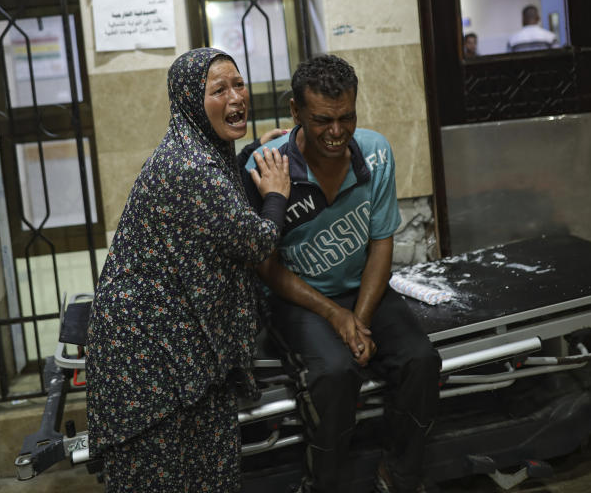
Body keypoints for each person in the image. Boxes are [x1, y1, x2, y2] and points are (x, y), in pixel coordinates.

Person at [85, 48, 291, 493]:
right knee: (165, 478)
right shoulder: (191, 167)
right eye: (218, 90)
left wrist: (257, 149)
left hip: (181, 351)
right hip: (147, 364)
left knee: (208, 474)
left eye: (239, 84)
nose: (236, 97)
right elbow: (255, 242)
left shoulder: (198, 149)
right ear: (190, 102)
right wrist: (276, 194)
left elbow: (220, 194)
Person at [244, 55, 442, 493]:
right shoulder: (267, 167)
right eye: (322, 120)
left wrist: (362, 320)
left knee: (422, 361)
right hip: (298, 300)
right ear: (295, 111)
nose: (337, 132)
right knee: (334, 374)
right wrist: (336, 317)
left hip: (363, 291)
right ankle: (322, 485)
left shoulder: (375, 152)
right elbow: (266, 265)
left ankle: (400, 475)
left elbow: (380, 243)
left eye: (346, 117)